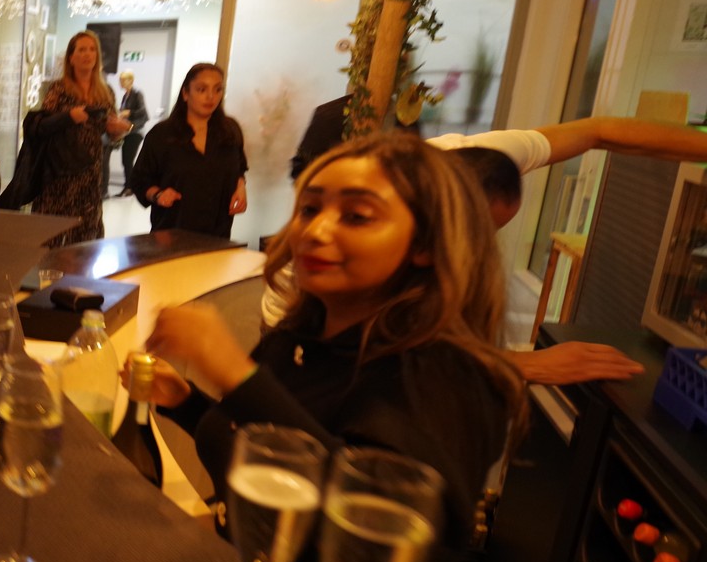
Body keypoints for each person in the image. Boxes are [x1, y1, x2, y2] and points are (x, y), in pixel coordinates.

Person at [140, 134, 525, 562]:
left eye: (357, 216)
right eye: (311, 208)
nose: (315, 231)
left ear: (426, 244)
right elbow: (273, 457)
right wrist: (186, 403)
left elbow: (369, 525)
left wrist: (236, 376)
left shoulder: (447, 374)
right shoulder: (305, 336)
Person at [272, 111, 707, 383]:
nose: (472, 247)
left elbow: (598, 130)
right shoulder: (309, 265)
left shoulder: (485, 155)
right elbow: (344, 365)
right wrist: (517, 365)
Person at [26, 30, 132, 243]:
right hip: (60, 173)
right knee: (52, 234)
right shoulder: (59, 89)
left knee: (86, 236)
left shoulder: (106, 92)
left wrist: (118, 131)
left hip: (90, 173)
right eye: (82, 50)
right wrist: (69, 117)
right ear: (71, 58)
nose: (88, 54)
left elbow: (110, 134)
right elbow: (42, 127)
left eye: (92, 49)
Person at [128, 62, 248, 239]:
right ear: (185, 93)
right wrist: (158, 195)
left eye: (217, 89)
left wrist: (240, 186)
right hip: (171, 235)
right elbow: (139, 180)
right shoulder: (162, 134)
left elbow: (239, 168)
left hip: (217, 235)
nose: (211, 97)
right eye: (201, 89)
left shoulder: (231, 130)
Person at [115, 68, 149, 196]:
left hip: (136, 131)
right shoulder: (126, 96)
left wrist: (128, 112)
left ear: (130, 80)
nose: (121, 82)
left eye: (123, 80)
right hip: (128, 131)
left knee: (128, 159)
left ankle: (130, 187)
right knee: (126, 160)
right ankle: (128, 186)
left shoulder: (137, 93)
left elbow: (143, 111)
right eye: (120, 80)